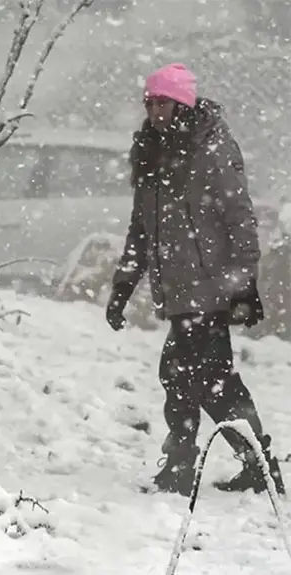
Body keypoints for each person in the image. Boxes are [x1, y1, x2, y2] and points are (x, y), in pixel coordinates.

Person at [107, 62, 283, 497]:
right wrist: (123, 287)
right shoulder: (150, 152)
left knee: (194, 377)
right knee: (197, 378)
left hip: (210, 287)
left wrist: (244, 283)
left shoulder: (211, 147)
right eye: (149, 103)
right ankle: (244, 463)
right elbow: (141, 228)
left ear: (181, 103)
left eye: (162, 103)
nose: (153, 112)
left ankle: (199, 464)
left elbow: (239, 218)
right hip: (179, 291)